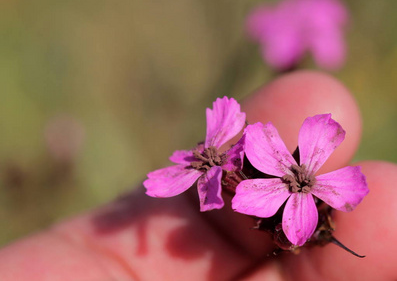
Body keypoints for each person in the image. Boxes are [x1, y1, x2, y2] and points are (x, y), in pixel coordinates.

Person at [0, 70, 395, 280]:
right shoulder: (222, 170)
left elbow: (292, 226)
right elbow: (247, 181)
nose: (301, 181)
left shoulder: (298, 189)